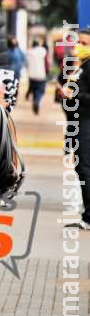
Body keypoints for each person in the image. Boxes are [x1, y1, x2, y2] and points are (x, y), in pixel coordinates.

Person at [59, 28, 90, 230]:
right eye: (78, 43)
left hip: (87, 122)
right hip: (77, 122)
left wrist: (73, 96)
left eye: (85, 44)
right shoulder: (80, 66)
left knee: (86, 167)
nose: (79, 47)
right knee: (81, 167)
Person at [26, 39, 49, 115]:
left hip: (32, 75)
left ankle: (34, 101)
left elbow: (26, 64)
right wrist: (47, 72)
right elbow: (46, 63)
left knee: (34, 90)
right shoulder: (43, 51)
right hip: (41, 75)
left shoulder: (29, 52)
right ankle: (37, 102)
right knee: (40, 91)